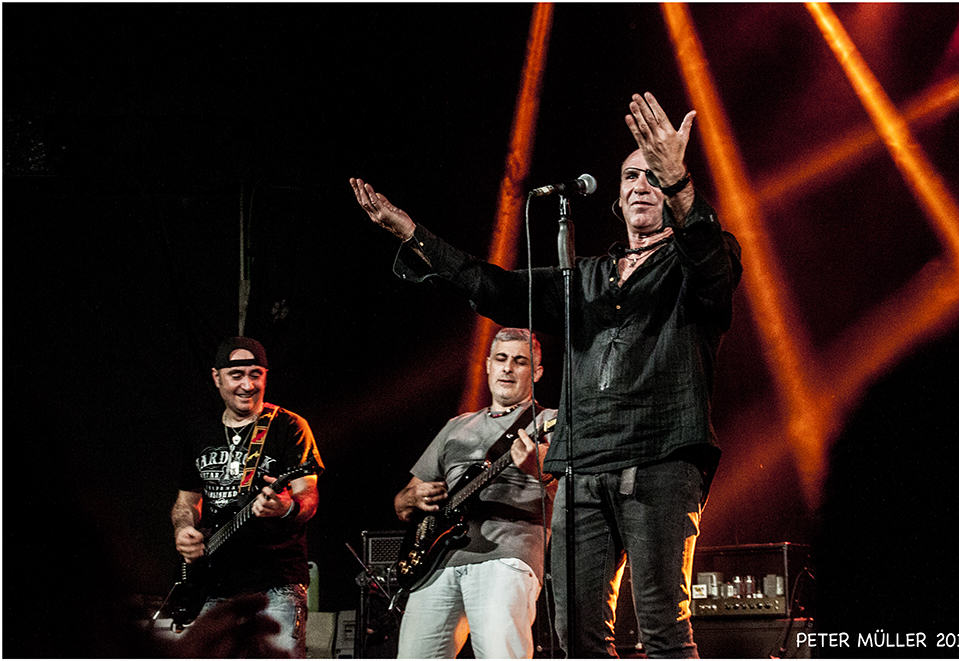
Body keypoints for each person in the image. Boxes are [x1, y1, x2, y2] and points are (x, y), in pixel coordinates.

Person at [350, 92, 742, 658]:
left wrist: (679, 180)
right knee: (577, 636)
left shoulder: (698, 260)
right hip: (581, 467)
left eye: (654, 176)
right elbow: (494, 287)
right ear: (617, 197)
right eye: (632, 176)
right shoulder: (585, 277)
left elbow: (711, 264)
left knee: (662, 630)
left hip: (659, 460)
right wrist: (414, 236)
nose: (642, 185)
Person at [392, 327, 557, 658]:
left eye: (520, 361)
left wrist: (535, 466)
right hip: (437, 561)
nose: (508, 367)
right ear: (488, 365)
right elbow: (403, 502)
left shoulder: (551, 421)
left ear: (537, 373)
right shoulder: (456, 425)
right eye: (501, 358)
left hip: (507, 555)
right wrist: (413, 497)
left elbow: (571, 489)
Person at [171, 336, 324, 657]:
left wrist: (285, 508)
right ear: (217, 378)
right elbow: (186, 501)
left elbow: (308, 496)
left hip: (276, 582)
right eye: (236, 375)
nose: (247, 385)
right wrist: (183, 530)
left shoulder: (289, 426)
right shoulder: (200, 431)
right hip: (214, 584)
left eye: (256, 375)